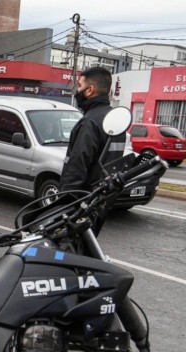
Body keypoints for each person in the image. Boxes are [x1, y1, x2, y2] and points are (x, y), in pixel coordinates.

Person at [60, 67, 122, 234]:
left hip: (81, 202)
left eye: (79, 86)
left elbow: (76, 167)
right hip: (101, 200)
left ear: (90, 90)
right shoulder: (114, 119)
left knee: (69, 251)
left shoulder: (89, 122)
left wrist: (63, 206)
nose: (77, 90)